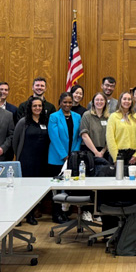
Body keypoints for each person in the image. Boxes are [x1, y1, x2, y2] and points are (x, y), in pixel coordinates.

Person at [13, 96, 49, 225]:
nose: (37, 108)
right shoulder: (24, 122)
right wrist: (19, 157)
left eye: (40, 106)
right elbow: (15, 141)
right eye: (35, 106)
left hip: (41, 161)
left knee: (36, 190)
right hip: (26, 160)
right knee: (24, 190)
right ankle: (21, 215)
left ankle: (31, 215)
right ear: (30, 107)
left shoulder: (45, 120)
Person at [47, 92, 82, 224]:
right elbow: (54, 137)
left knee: (68, 186)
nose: (67, 105)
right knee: (56, 187)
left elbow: (79, 136)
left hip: (72, 158)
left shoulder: (77, 116)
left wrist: (73, 154)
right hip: (57, 158)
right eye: (65, 102)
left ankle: (65, 212)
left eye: (70, 102)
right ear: (60, 103)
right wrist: (64, 155)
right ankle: (56, 213)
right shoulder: (54, 117)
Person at [106, 91, 136, 165]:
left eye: (129, 99)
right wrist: (115, 156)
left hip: (132, 155)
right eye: (124, 99)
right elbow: (110, 138)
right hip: (118, 154)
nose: (127, 101)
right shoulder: (113, 116)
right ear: (120, 101)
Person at [81, 92, 110, 163]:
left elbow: (111, 137)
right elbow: (84, 135)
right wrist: (96, 152)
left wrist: (102, 152)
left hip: (104, 153)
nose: (99, 102)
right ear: (93, 102)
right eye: (97, 100)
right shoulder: (87, 115)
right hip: (88, 151)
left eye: (102, 100)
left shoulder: (109, 117)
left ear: (105, 102)